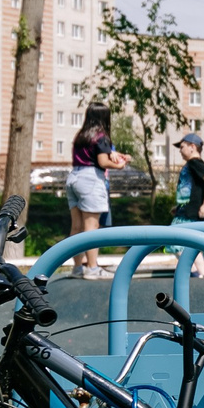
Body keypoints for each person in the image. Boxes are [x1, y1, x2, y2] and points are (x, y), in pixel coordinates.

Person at [65, 107, 130, 279]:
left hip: (74, 177)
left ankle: (78, 267)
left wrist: (115, 154)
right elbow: (102, 161)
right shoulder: (101, 136)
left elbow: (98, 154)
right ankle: (93, 268)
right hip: (90, 179)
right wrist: (120, 165)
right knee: (91, 227)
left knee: (76, 227)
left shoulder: (81, 136)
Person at [170, 132, 204, 224]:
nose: (180, 151)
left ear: (192, 147)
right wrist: (180, 206)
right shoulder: (191, 164)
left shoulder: (195, 162)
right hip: (184, 214)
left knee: (171, 237)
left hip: (192, 217)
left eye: (182, 147)